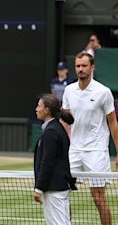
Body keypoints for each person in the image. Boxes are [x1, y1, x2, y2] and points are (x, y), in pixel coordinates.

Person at [62, 52, 118, 225]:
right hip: (74, 150)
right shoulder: (69, 90)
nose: (81, 69)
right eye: (78, 66)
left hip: (96, 150)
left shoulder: (103, 92)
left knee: (98, 197)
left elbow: (113, 123)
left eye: (84, 66)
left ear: (92, 68)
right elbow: (65, 120)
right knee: (61, 193)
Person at [33, 93, 76, 225]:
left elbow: (47, 162)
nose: (36, 109)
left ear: (46, 111)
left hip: (54, 188)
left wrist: (38, 188)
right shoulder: (57, 128)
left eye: (39, 106)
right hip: (60, 186)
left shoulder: (51, 131)